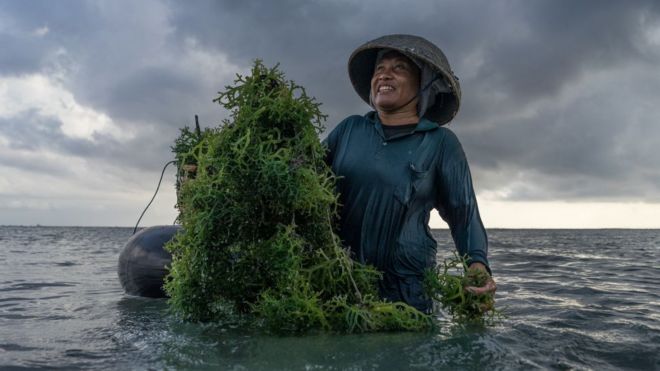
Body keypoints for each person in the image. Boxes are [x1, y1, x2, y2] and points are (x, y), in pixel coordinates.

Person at [324, 34, 496, 313]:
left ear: (424, 84)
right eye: (380, 69)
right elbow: (304, 177)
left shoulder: (440, 143)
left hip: (408, 291)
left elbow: (463, 213)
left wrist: (477, 265)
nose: (385, 75)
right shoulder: (349, 130)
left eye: (399, 68)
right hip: (339, 282)